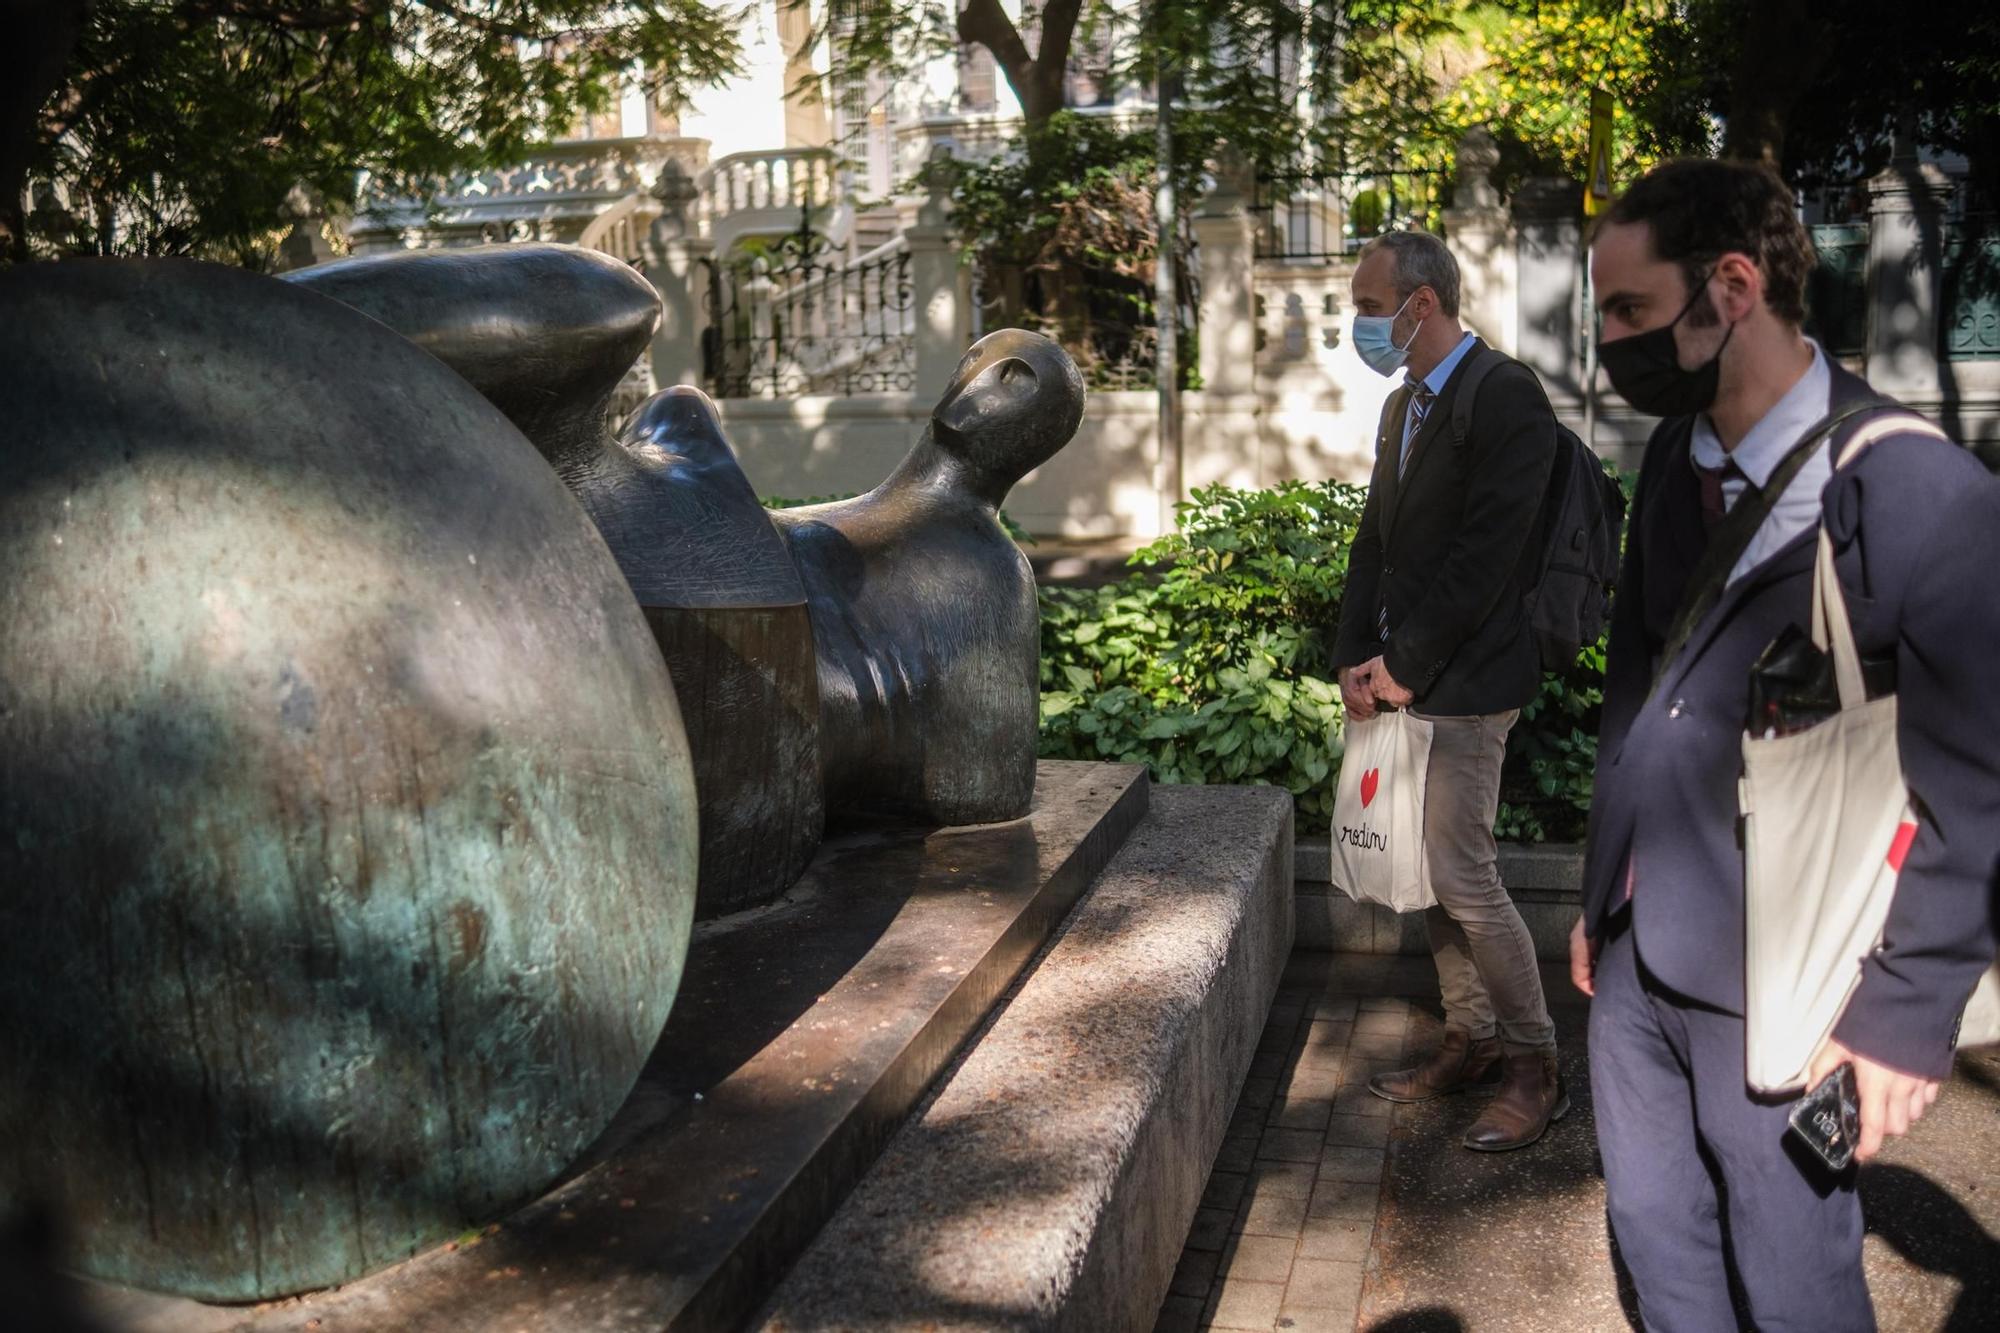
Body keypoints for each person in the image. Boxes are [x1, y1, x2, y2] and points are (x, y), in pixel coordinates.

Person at [1573, 157, 2000, 1330]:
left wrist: (1903, 1018)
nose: (1608, 342)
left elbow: (1976, 785)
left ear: (1731, 286)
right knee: (1657, 1242)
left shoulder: (1917, 489)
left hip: (1791, 979)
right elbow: (1635, 682)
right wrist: (1595, 887)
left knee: (1790, 1275)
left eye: (1630, 311)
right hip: (1634, 958)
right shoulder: (1673, 455)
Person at [1332, 230, 1566, 1151]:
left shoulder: (1506, 396)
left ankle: (1533, 1062)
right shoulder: (1405, 406)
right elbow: (1374, 541)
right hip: (1405, 677)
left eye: (1366, 302)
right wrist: (1355, 657)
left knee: (1464, 877)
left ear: (1419, 305)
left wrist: (1406, 663)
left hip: (1470, 681)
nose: (1359, 322)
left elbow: (1488, 561)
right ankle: (1468, 1039)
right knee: (1429, 876)